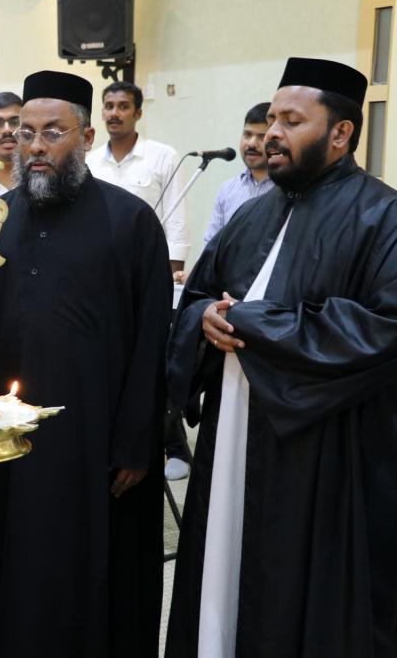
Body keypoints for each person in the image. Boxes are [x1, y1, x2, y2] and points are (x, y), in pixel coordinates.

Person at [165, 57, 397, 657]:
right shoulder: (251, 214)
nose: (272, 134)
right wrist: (203, 320)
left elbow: (384, 327)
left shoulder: (382, 215)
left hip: (322, 450)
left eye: (291, 121)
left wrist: (255, 322)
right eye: (271, 119)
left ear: (340, 133)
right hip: (231, 429)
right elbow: (197, 299)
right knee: (221, 570)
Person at [0, 70, 172, 657]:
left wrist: (136, 440)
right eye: (25, 132)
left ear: (85, 138)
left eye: (52, 133)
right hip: (6, 436)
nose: (35, 146)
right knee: (7, 562)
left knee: (87, 572)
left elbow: (151, 339)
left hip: (92, 439)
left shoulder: (130, 222)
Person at [87, 81, 189, 273]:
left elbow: (177, 219)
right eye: (109, 106)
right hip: (98, 263)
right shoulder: (91, 161)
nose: (114, 113)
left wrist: (174, 268)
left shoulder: (164, 156)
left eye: (123, 106)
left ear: (138, 113)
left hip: (147, 259)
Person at [201, 102, 276, 245]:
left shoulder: (289, 190)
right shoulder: (227, 189)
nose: (251, 143)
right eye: (247, 134)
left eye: (261, 137)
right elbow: (211, 245)